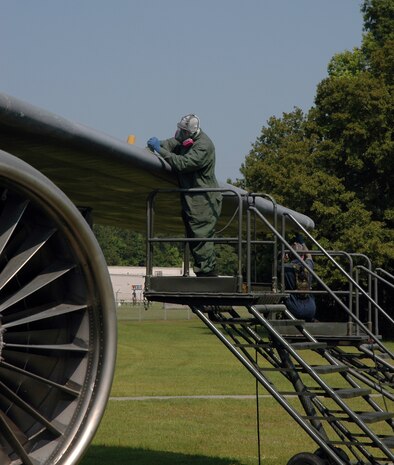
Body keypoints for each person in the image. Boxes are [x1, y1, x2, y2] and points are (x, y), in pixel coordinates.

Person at [147, 114, 222, 277]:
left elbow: (183, 164)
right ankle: (204, 275)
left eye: (182, 131)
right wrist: (154, 146)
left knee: (201, 240)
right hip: (192, 199)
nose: (178, 133)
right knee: (194, 238)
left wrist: (160, 151)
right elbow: (169, 144)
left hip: (203, 201)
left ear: (190, 132)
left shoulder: (203, 146)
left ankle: (208, 277)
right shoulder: (185, 139)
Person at [283, 237, 316, 321]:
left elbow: (275, 265)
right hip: (310, 309)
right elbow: (309, 255)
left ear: (289, 256)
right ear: (302, 256)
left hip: (293, 309)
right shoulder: (309, 266)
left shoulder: (286, 268)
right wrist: (301, 240)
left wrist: (283, 259)